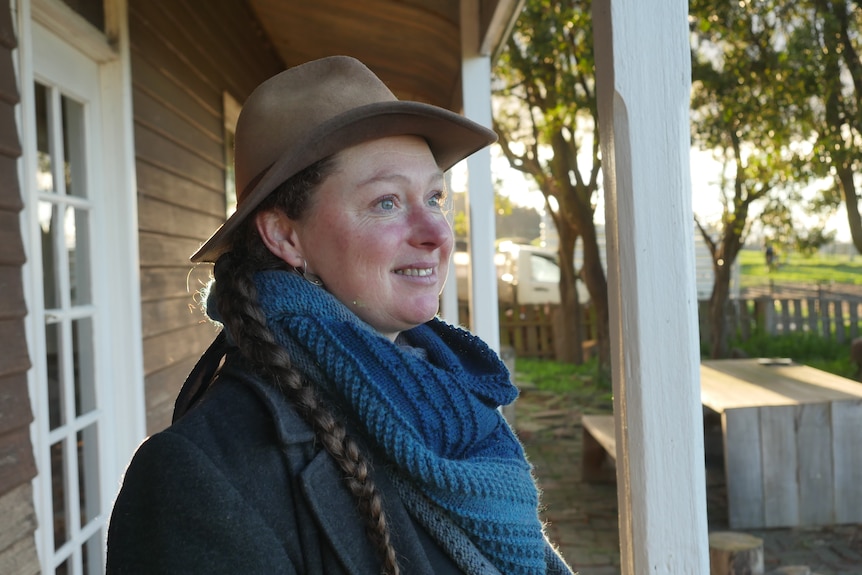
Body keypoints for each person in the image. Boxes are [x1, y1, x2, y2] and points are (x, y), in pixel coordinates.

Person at [106, 55, 574, 575]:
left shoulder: (451, 399)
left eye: (435, 197)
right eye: (387, 203)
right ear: (285, 235)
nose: (437, 233)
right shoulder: (198, 477)